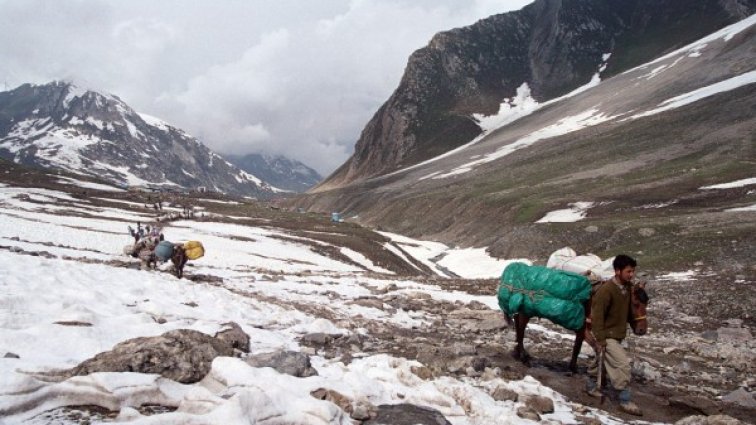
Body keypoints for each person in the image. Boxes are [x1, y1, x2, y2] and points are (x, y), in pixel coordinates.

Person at [586, 254, 643, 416]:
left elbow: (630, 310)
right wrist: (601, 339)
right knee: (622, 364)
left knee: (602, 360)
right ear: (617, 271)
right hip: (607, 335)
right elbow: (597, 317)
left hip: (616, 334)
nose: (631, 275)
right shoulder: (606, 291)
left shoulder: (627, 288)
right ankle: (624, 400)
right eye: (629, 271)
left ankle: (590, 385)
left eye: (633, 272)